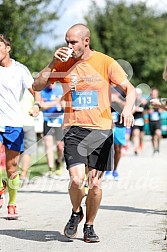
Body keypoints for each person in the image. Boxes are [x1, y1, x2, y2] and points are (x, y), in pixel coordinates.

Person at [32, 23, 135, 243]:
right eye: (66, 41)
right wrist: (52, 62)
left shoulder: (106, 62)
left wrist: (127, 108)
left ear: (86, 41)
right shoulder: (63, 63)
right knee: (77, 181)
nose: (68, 46)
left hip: (101, 130)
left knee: (96, 184)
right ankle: (76, 211)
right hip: (74, 129)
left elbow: (130, 89)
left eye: (73, 42)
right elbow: (38, 85)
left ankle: (89, 225)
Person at [0, 34, 40, 219]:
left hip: (13, 123)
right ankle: (1, 188)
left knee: (11, 167)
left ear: (8, 48)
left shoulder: (20, 70)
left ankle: (12, 202)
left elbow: (35, 90)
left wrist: (36, 105)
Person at [40, 83, 65, 176]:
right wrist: (56, 101)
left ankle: (58, 161)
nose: (51, 84)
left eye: (53, 82)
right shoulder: (43, 91)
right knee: (48, 143)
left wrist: (62, 103)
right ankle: (51, 167)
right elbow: (42, 106)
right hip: (47, 119)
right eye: (49, 82)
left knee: (60, 146)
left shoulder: (60, 89)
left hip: (59, 120)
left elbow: (65, 105)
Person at [19, 89, 38, 186]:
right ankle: (23, 176)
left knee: (16, 150)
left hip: (15, 123)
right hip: (28, 123)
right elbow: (39, 105)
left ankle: (14, 175)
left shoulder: (14, 88)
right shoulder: (31, 91)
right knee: (27, 151)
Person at [145, 88, 162, 154]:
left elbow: (165, 107)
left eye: (155, 94)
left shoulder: (160, 101)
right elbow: (144, 111)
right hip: (151, 121)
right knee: (152, 136)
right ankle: (154, 149)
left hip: (157, 121)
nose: (154, 95)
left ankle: (158, 147)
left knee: (159, 134)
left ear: (157, 94)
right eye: (152, 94)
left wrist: (162, 110)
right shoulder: (148, 102)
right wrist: (148, 111)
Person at [131, 88, 146, 155]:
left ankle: (140, 145)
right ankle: (136, 148)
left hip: (142, 121)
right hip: (135, 121)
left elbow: (147, 112)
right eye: (136, 94)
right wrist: (135, 109)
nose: (137, 95)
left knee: (141, 136)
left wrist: (144, 107)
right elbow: (130, 112)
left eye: (138, 94)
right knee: (136, 134)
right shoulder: (132, 102)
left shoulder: (143, 102)